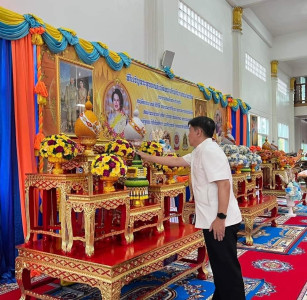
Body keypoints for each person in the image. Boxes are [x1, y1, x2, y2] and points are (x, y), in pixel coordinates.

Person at [137, 116, 245, 300]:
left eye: (190, 131)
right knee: (220, 269)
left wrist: (220, 217)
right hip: (214, 220)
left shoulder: (210, 151)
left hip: (220, 222)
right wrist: (145, 157)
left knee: (227, 270)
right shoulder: (200, 151)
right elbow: (177, 161)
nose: (188, 135)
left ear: (198, 132)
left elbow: (224, 185)